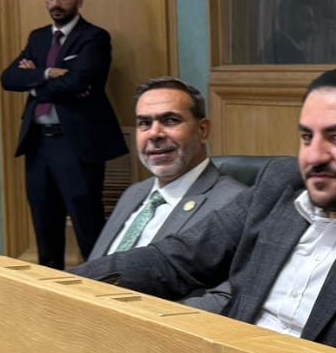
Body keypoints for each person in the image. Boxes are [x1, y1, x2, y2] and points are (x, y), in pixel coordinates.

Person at [71, 69, 336, 349]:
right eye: (306, 137)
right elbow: (177, 260)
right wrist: (63, 284)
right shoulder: (280, 183)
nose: (314, 156)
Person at [1, 0, 127, 268]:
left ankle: (99, 287)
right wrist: (46, 73)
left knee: (88, 228)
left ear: (79, 0)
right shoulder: (38, 38)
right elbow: (9, 78)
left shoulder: (94, 37)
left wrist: (34, 84)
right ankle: (50, 289)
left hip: (77, 146)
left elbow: (80, 82)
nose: (56, 3)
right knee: (45, 228)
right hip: (38, 145)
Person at [86, 78, 246, 260]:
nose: (154, 134)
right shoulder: (134, 193)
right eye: (144, 123)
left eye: (170, 120)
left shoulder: (232, 205)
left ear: (203, 130)